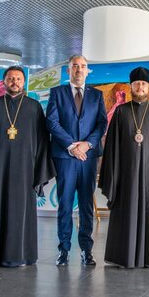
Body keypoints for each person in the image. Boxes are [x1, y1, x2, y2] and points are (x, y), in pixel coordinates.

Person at [0, 66, 55, 268]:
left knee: (22, 212)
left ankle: (23, 255)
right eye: (10, 78)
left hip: (26, 171)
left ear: (23, 82)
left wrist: (39, 171)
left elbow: (43, 141)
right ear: (4, 82)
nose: (14, 82)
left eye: (18, 78)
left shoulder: (34, 107)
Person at [99, 67, 149, 268]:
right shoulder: (121, 112)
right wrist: (113, 177)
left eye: (143, 84)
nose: (140, 87)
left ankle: (148, 258)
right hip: (125, 177)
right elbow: (112, 147)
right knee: (126, 212)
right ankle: (124, 256)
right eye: (136, 84)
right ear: (131, 87)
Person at [46, 55, 108, 266]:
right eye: (75, 66)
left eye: (83, 66)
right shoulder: (57, 93)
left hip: (88, 158)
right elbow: (52, 123)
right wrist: (72, 146)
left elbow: (101, 124)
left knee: (86, 206)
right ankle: (63, 250)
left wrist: (87, 144)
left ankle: (86, 250)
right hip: (66, 156)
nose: (79, 70)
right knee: (64, 204)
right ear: (68, 71)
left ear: (87, 70)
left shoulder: (97, 95)